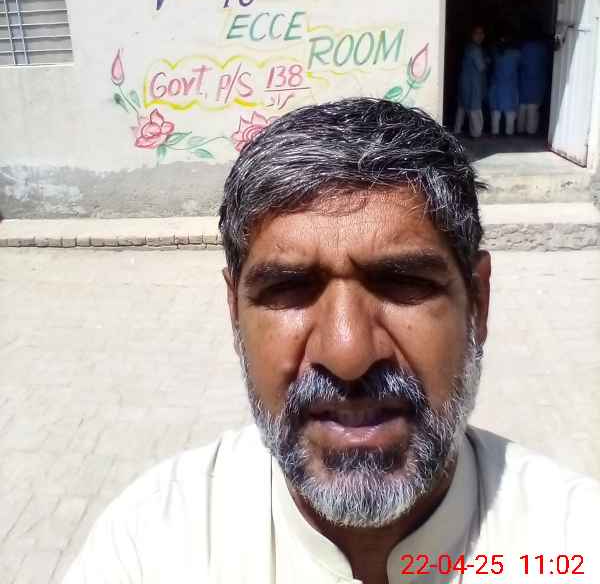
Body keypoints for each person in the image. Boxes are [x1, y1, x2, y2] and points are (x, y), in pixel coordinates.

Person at [63, 99, 599, 584]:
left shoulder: (573, 542)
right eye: (289, 289)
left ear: (477, 303)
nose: (348, 354)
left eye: (402, 283)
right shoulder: (151, 545)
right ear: (234, 316)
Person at [453, 25, 487, 138]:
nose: (480, 36)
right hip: (472, 84)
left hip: (465, 82)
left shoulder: (468, 47)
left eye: (482, 33)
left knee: (462, 107)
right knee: (474, 109)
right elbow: (481, 67)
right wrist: (488, 61)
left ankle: (457, 130)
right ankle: (476, 134)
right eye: (477, 33)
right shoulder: (475, 49)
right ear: (471, 35)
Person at [517, 22, 550, 136]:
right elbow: (546, 63)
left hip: (523, 82)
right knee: (533, 109)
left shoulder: (522, 47)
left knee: (521, 108)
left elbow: (518, 63)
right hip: (537, 83)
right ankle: (530, 132)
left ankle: (520, 130)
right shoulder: (542, 48)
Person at [488, 26, 521, 136]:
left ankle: (495, 133)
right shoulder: (517, 53)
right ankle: (509, 133)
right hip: (510, 87)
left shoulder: (494, 52)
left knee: (495, 112)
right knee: (510, 113)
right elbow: (521, 66)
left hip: (496, 86)